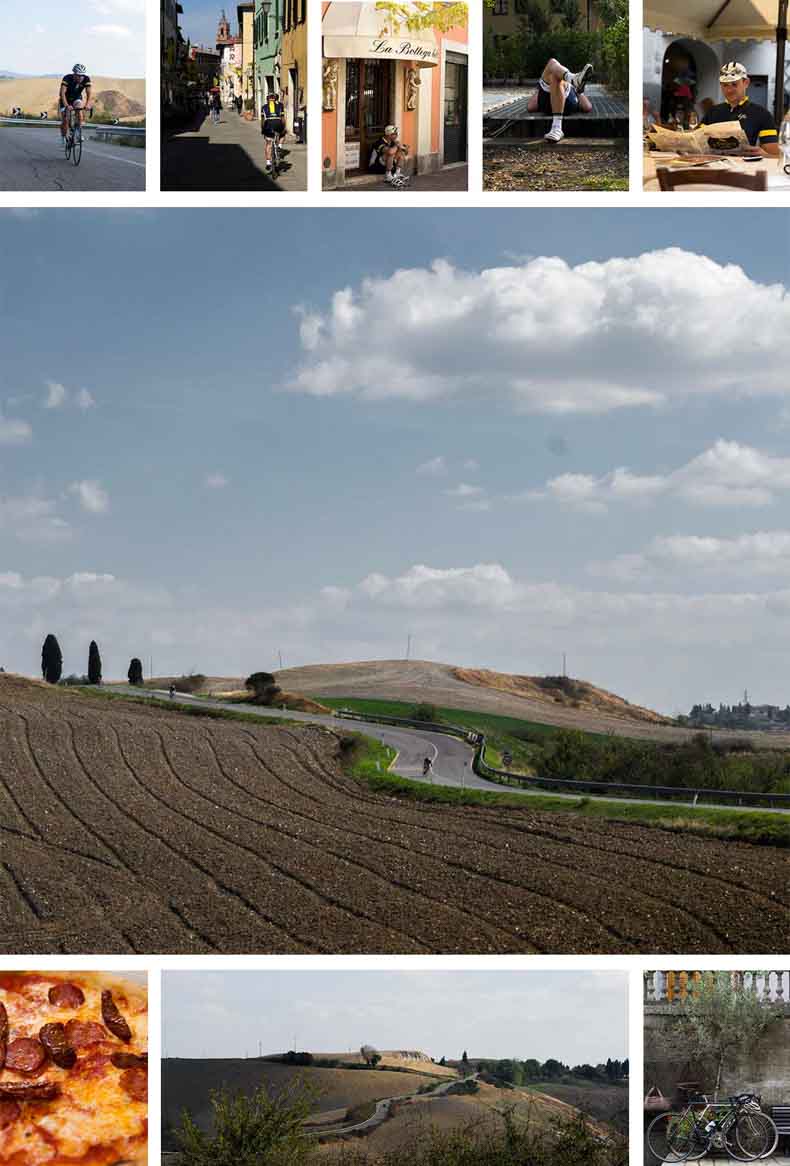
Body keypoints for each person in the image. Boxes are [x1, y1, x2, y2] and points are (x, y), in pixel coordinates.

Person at [702, 61, 778, 155]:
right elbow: (696, 142)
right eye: (725, 85)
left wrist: (763, 154)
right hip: (713, 167)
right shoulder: (712, 112)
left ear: (746, 83)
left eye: (734, 84)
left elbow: (774, 155)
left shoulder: (762, 114)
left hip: (746, 167)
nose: (729, 90)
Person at [528, 58, 593, 143]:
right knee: (553, 69)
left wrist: (540, 87)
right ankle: (574, 79)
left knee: (552, 63)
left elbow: (530, 106)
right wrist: (578, 91)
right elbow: (587, 107)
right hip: (569, 104)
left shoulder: (552, 77)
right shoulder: (572, 89)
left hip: (547, 106)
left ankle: (557, 128)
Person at [59, 64, 92, 141]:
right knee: (65, 120)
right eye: (79, 75)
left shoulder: (86, 79)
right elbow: (62, 93)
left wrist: (87, 104)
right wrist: (67, 105)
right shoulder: (67, 78)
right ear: (74, 74)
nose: (81, 77)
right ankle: (63, 137)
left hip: (76, 98)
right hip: (65, 99)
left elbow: (89, 94)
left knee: (79, 110)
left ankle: (78, 132)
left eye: (82, 75)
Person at [261, 92, 286, 170]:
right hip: (278, 123)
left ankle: (268, 163)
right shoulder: (280, 105)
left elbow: (262, 119)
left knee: (268, 143)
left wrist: (262, 128)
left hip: (268, 124)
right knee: (283, 134)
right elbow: (282, 118)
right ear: (275, 99)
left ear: (267, 99)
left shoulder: (264, 107)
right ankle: (279, 146)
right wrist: (284, 128)